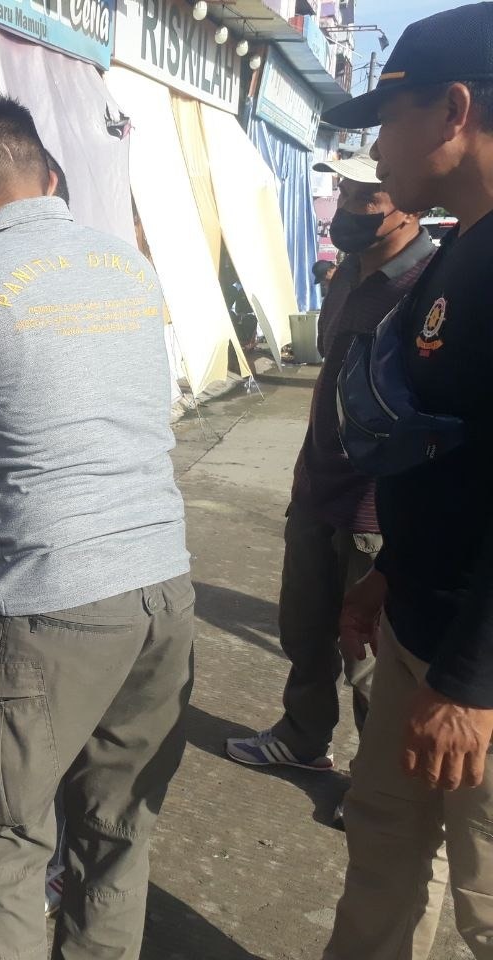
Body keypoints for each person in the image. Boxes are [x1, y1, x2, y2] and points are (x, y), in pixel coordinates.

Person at [0, 90, 194, 960]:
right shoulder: (127, 264)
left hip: (55, 601)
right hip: (163, 588)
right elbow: (66, 400)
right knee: (116, 831)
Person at [319, 5, 493, 957]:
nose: (377, 151)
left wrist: (471, 683)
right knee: (383, 853)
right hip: (419, 628)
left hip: (476, 671)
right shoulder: (461, 249)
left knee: (485, 904)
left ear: (454, 111)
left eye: (388, 120)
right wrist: (392, 573)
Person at [225, 158, 433, 797]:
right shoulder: (346, 274)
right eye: (344, 192)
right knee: (303, 630)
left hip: (375, 509)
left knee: (368, 659)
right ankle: (303, 738)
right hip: (317, 490)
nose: (347, 208)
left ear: (409, 205)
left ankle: (375, 786)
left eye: (367, 196)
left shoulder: (429, 286)